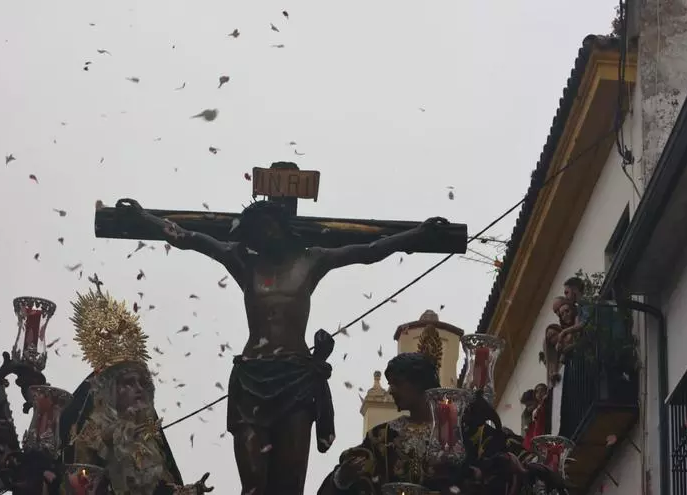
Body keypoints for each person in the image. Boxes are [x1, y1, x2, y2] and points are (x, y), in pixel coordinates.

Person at [116, 195, 452, 495]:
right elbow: (189, 238)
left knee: (290, 484)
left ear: (281, 225)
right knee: (253, 485)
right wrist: (146, 218)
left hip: (295, 378)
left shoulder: (311, 260)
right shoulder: (244, 262)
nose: (266, 235)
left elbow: (368, 251)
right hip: (251, 377)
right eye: (257, 230)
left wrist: (415, 235)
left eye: (270, 226)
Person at [59, 289, 212, 495]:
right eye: (128, 383)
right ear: (110, 391)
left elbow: (160, 488)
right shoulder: (91, 435)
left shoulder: (148, 440)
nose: (138, 388)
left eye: (142, 383)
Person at [316, 352, 450, 494]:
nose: (391, 391)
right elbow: (358, 479)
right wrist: (342, 478)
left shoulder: (454, 433)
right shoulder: (381, 436)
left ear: (419, 383)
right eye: (390, 384)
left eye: (397, 383)